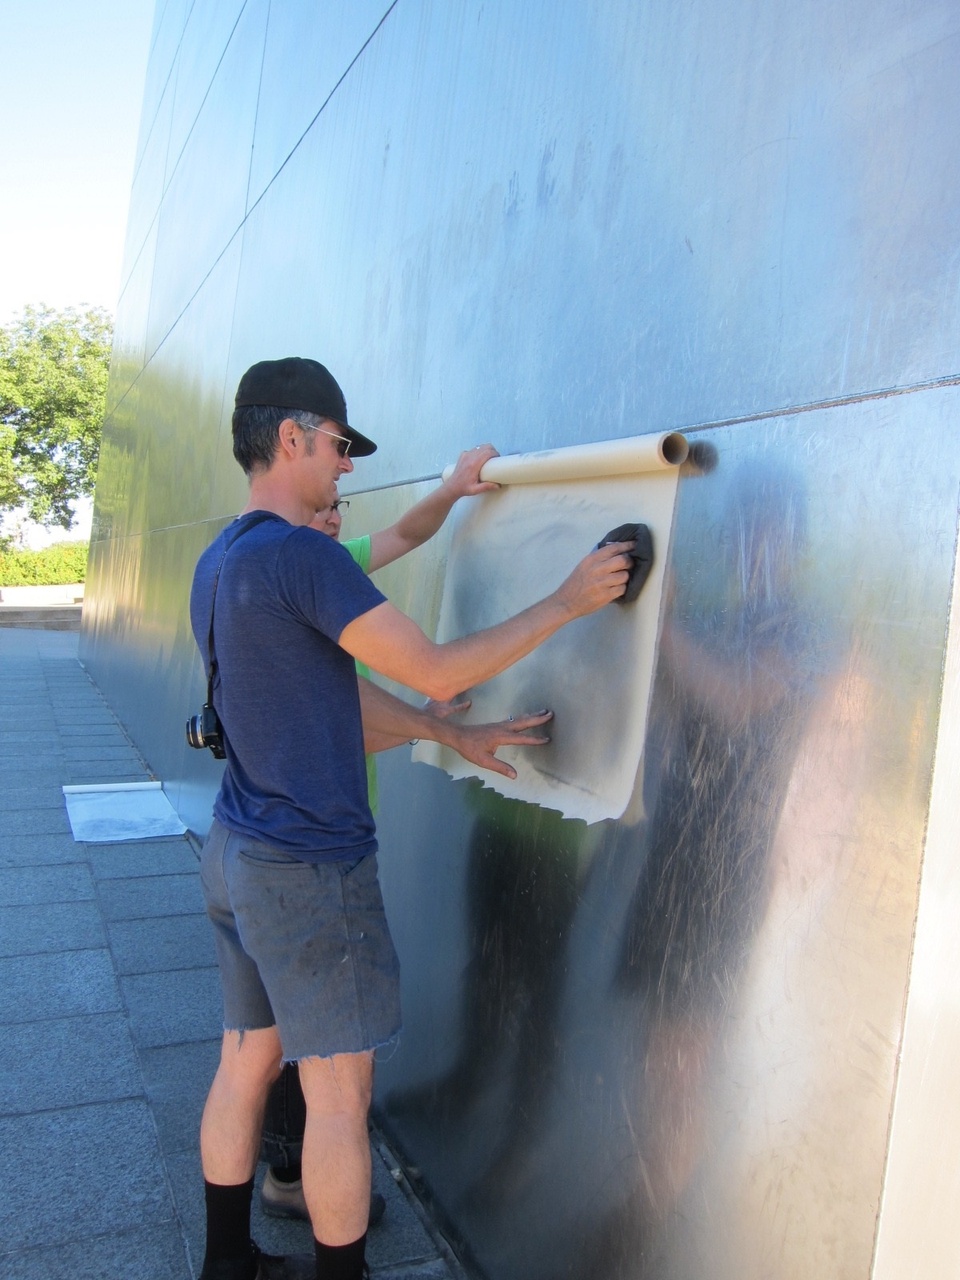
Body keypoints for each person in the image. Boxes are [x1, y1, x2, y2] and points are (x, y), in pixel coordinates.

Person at [189, 355, 634, 1280]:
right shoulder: (302, 555)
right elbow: (435, 666)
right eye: (340, 445)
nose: (345, 465)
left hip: (239, 854)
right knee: (340, 1094)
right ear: (292, 437)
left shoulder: (221, 559)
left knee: (244, 1060)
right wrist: (567, 599)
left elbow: (331, 702)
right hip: (310, 870)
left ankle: (226, 1266)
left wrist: (437, 733)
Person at [260, 450, 547, 1225]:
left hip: (273, 844)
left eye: (338, 512)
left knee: (280, 1030)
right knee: (322, 1050)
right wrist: (570, 601)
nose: (336, 516)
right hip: (313, 849)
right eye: (324, 506)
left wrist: (454, 489)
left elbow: (402, 536)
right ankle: (296, 1178)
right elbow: (403, 689)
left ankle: (281, 1177)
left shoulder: (307, 561)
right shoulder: (303, 577)